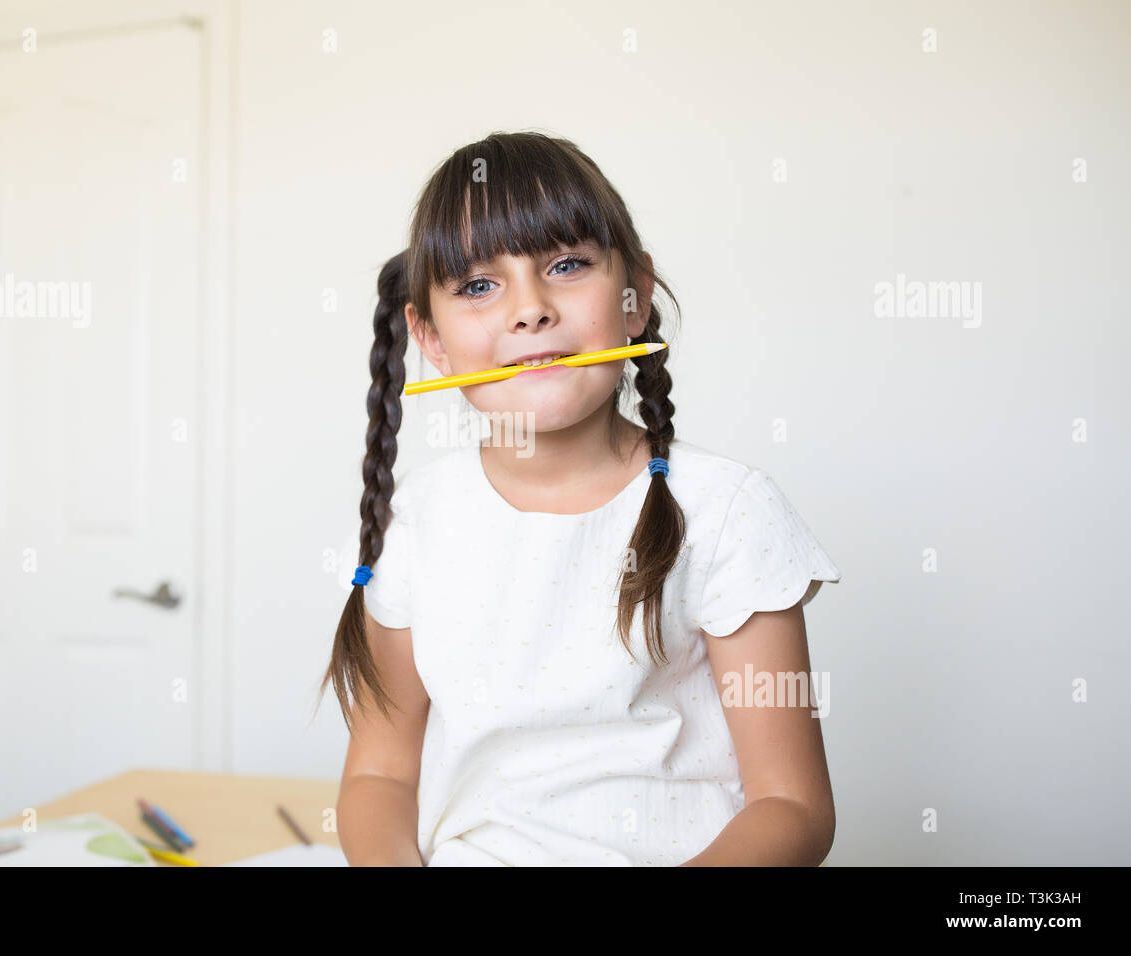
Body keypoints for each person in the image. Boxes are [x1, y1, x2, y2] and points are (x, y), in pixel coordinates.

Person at [321, 130, 842, 866]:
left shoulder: (729, 510)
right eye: (479, 285)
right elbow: (380, 772)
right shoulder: (413, 524)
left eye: (566, 265)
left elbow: (791, 806)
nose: (530, 311)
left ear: (635, 302)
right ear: (430, 340)